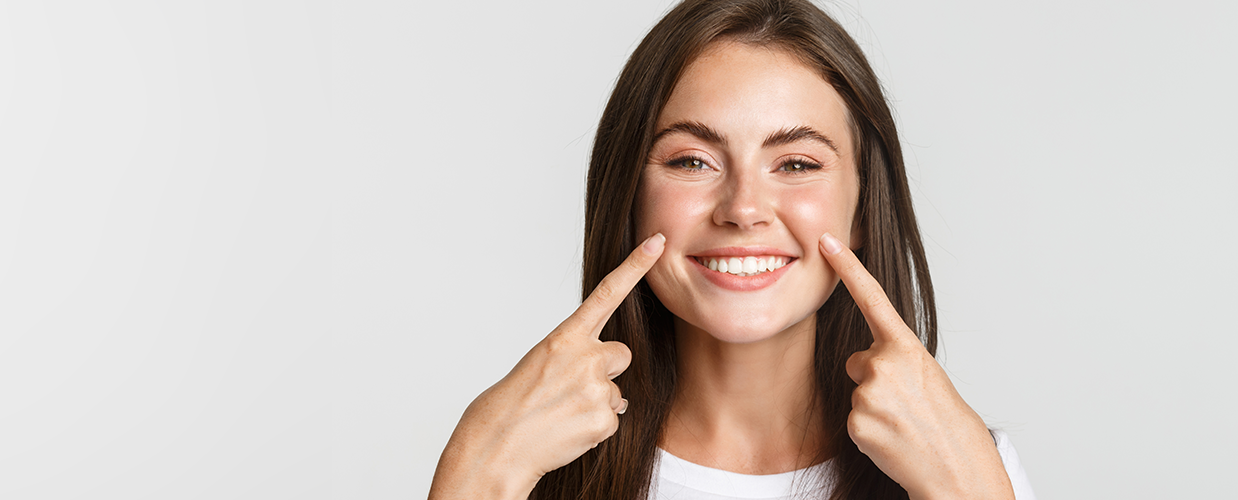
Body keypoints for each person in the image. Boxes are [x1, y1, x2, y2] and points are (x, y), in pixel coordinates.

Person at [428, 1, 1035, 499]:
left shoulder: (970, 469)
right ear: (630, 197)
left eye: (796, 164)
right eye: (692, 161)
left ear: (861, 211)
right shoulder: (519, 463)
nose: (743, 208)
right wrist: (476, 478)